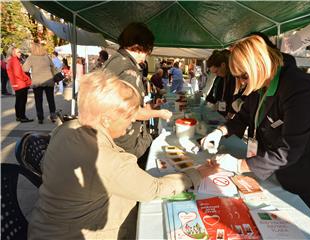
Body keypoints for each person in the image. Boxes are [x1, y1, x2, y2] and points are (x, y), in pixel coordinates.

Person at [27, 71, 220, 240]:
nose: (131, 123)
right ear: (106, 119)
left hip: (43, 228)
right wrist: (198, 173)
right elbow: (154, 189)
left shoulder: (65, 129)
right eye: (128, 116)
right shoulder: (107, 160)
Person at [201, 35, 310, 216]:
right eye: (237, 77)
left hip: (309, 170)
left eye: (244, 76)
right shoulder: (260, 83)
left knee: (302, 220)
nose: (242, 83)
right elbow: (243, 117)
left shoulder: (300, 88)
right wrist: (220, 131)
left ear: (259, 65)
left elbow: (288, 151)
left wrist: (240, 165)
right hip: (276, 167)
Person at [102, 22, 172, 164]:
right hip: (126, 143)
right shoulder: (129, 70)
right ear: (141, 48)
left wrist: (151, 107)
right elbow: (131, 112)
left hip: (110, 137)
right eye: (148, 51)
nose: (146, 57)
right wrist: (160, 113)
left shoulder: (114, 60)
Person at [23, 43, 57, 124]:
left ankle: (40, 117)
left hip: (37, 82)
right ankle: (53, 115)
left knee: (38, 100)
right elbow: (53, 66)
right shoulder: (46, 57)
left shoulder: (31, 58)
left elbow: (25, 69)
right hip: (49, 80)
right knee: (50, 99)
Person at [206, 49, 246, 118]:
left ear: (223, 65)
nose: (216, 74)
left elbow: (237, 100)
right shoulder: (220, 77)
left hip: (231, 117)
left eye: (216, 71)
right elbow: (211, 95)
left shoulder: (235, 78)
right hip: (220, 114)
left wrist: (229, 114)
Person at [6, 46, 33, 122]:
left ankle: (18, 116)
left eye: (20, 51)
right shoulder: (14, 60)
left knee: (18, 101)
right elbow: (18, 73)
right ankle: (22, 117)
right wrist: (27, 79)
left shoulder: (10, 60)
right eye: (18, 52)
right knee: (22, 101)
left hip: (16, 84)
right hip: (21, 84)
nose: (20, 53)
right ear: (13, 53)